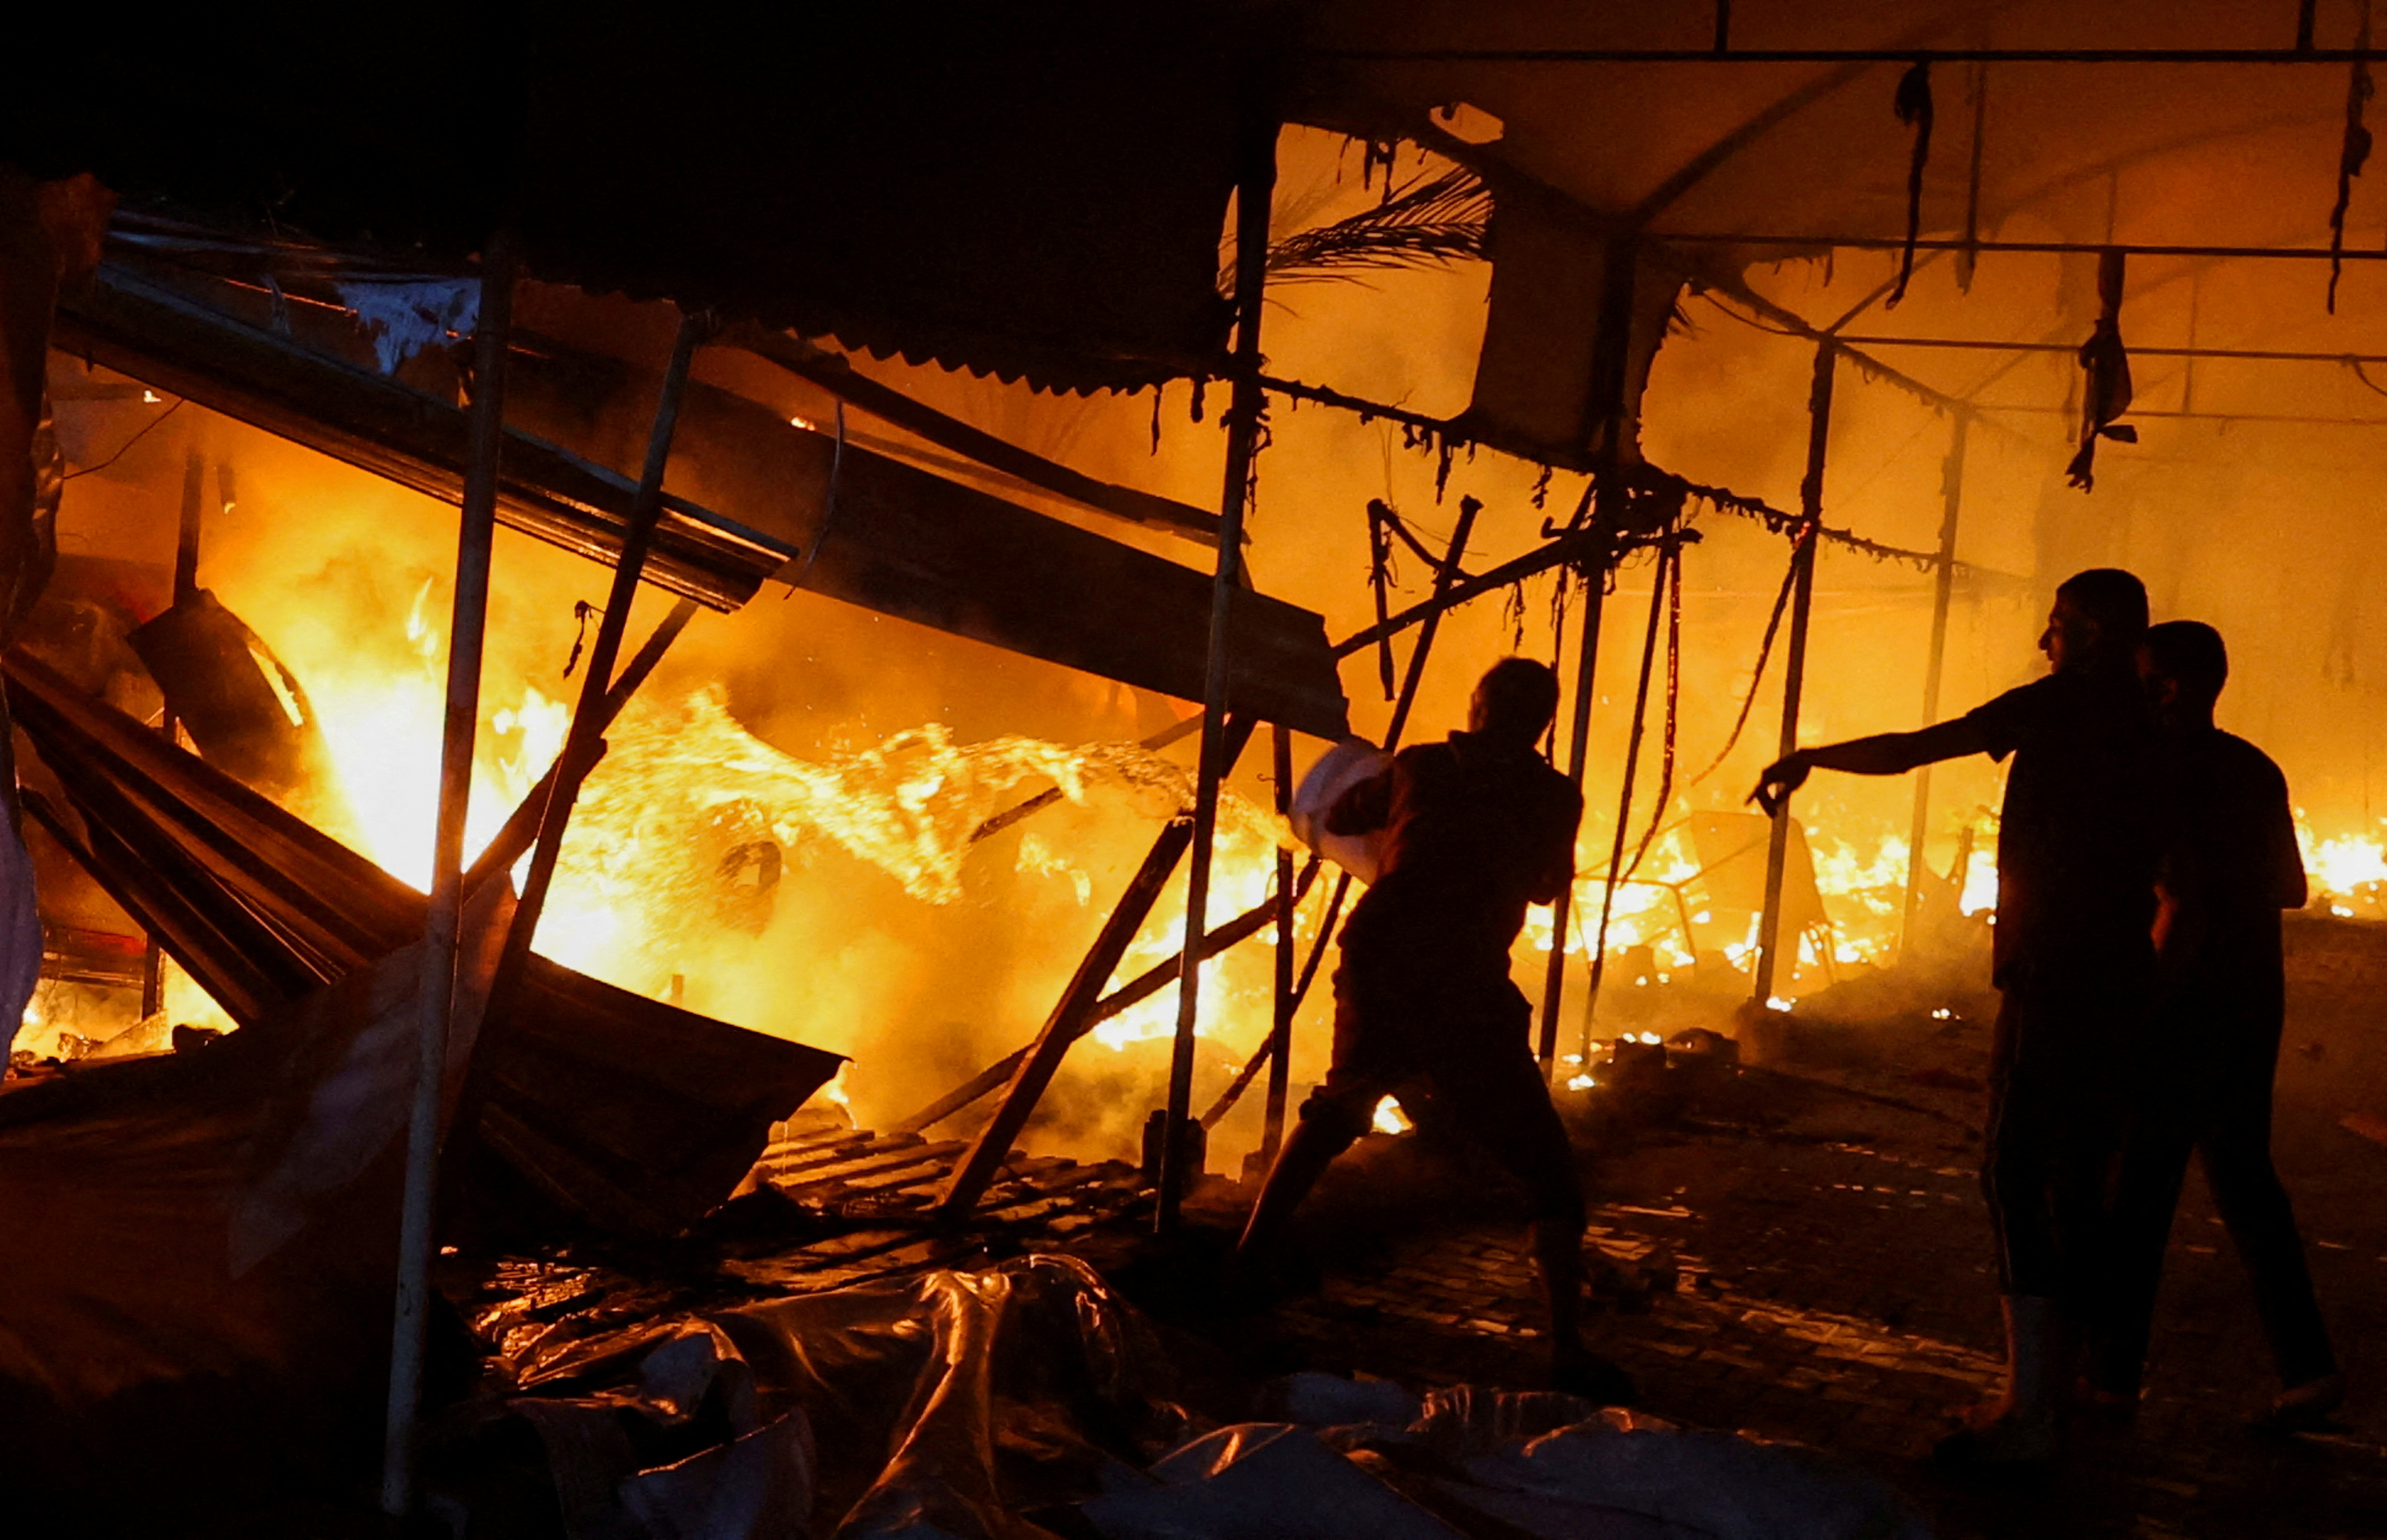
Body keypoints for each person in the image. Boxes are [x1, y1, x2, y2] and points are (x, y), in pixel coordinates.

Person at [1752, 568, 2160, 1462]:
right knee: (2078, 1178)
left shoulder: (2059, 705)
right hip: (2121, 975)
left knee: (2014, 1169)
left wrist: (1814, 757)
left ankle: (2028, 1412)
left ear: (2091, 633)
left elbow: (1916, 748)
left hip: (2053, 973)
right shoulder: (2151, 722)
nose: (2044, 641)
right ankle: (2062, 1388)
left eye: (2057, 625)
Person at [1235, 657, 1630, 1402]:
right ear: (1543, 722)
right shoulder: (1554, 795)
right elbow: (1547, 888)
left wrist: (1405, 827)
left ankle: (1245, 1264)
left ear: (1477, 708)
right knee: (1546, 1168)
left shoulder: (1419, 765)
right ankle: (1566, 1349)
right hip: (1466, 974)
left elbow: (1340, 816)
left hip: (1385, 953)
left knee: (1340, 1107)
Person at [2090, 621, 2341, 1427]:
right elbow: (2292, 889)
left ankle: (2110, 1378)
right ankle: (2308, 1370)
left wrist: (2143, 990)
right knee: (2245, 1180)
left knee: (2139, 1188)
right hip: (2249, 1000)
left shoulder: (2154, 769)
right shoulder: (2253, 768)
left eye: (2144, 679)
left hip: (2177, 1002)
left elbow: (2177, 899)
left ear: (2172, 685)